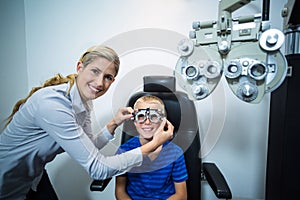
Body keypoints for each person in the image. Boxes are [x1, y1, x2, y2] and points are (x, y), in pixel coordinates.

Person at [0, 45, 174, 200]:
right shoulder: (52, 105)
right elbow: (97, 168)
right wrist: (155, 143)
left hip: (34, 177)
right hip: (7, 181)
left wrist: (114, 123)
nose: (99, 83)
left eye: (107, 77)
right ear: (79, 67)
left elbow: (89, 145)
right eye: (95, 71)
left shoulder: (84, 102)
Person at [115, 95, 188, 200]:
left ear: (163, 121)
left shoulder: (175, 153)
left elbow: (181, 195)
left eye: (153, 116)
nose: (147, 122)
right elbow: (120, 191)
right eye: (141, 116)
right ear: (134, 121)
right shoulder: (124, 151)